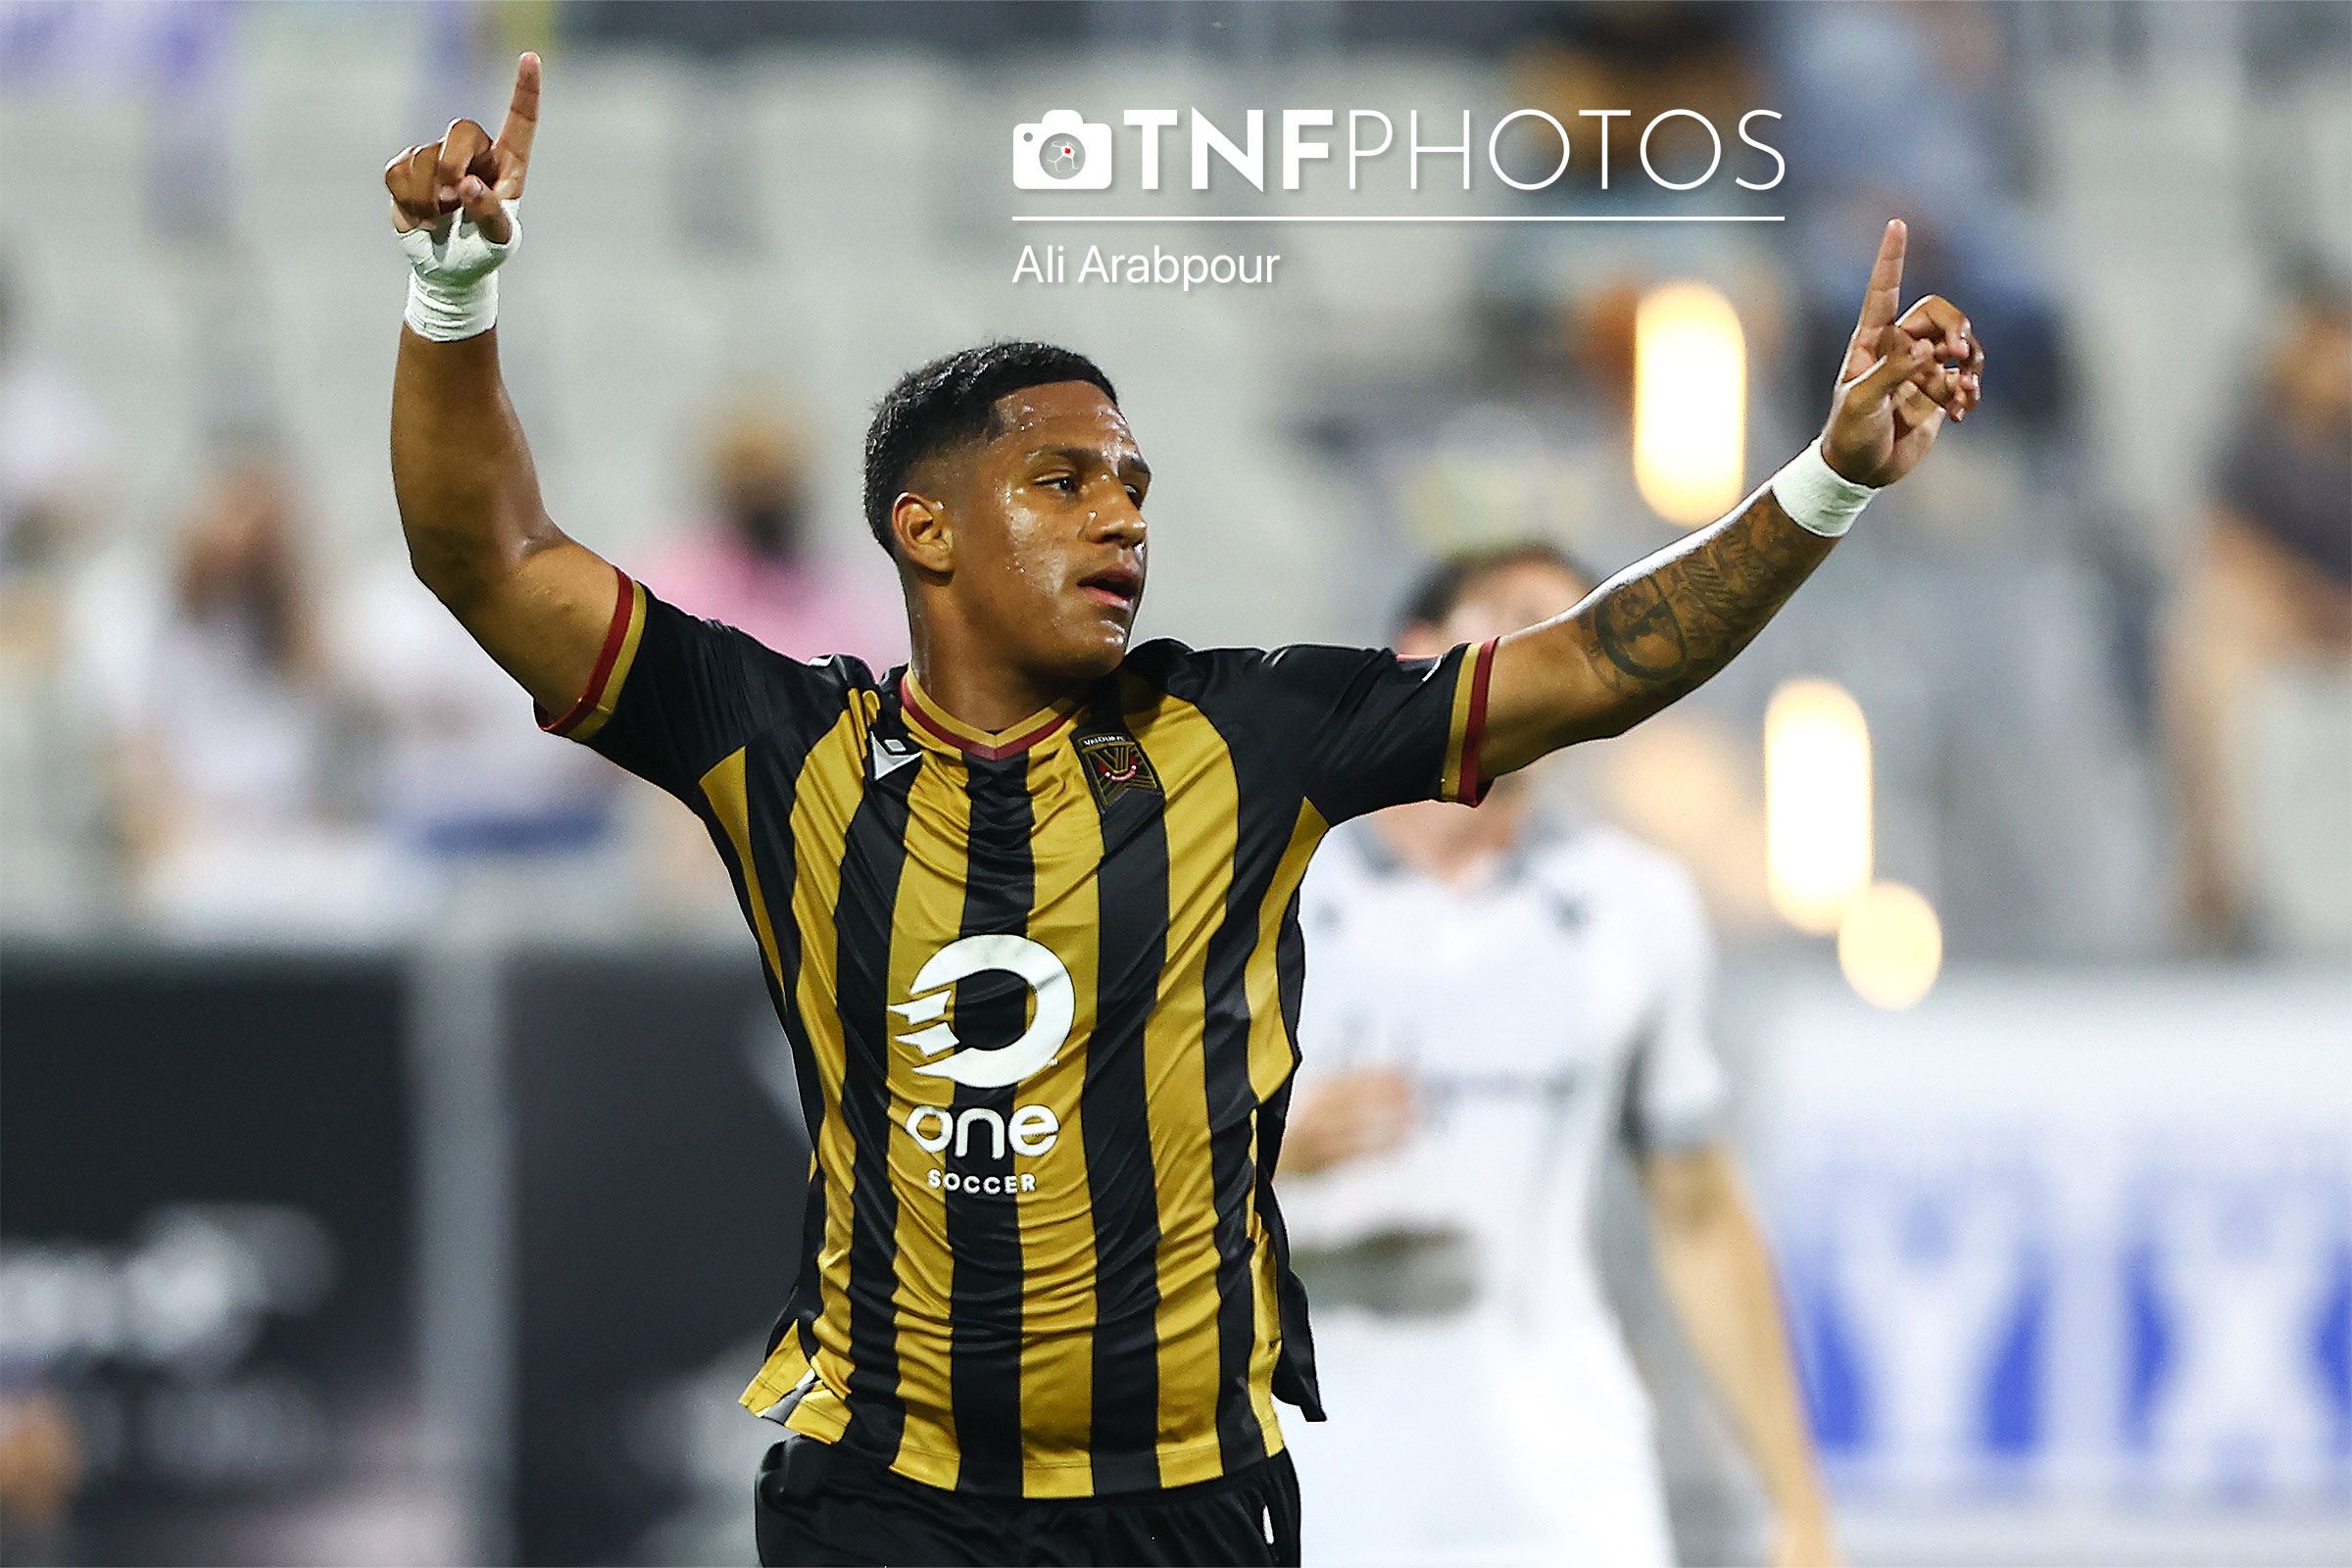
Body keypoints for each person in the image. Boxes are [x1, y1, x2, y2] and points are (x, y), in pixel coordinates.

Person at [382, 55, 1979, 1567]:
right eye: (1064, 482)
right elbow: (489, 559)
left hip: (1183, 1503)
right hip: (884, 1500)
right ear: (925, 530)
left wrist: (1825, 481)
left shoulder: (1247, 733)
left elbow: (1596, 664)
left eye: (1135, 486)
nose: (1121, 518)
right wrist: (454, 294)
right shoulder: (787, 746)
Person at [1277, 542, 1833, 1567]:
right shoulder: (1262, 890)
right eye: (1517, 617)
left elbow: (1699, 1213)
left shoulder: (1635, 903)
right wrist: (1262, 1154)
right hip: (1315, 1473)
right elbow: (1094, 1166)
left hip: (1560, 1491)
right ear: (1417, 654)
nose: (1558, 650)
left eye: (1582, 631)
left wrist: (1797, 1505)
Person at [636, 401, 906, 671]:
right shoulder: (674, 587)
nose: (763, 488)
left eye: (776, 475)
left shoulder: (842, 591)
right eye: (748, 471)